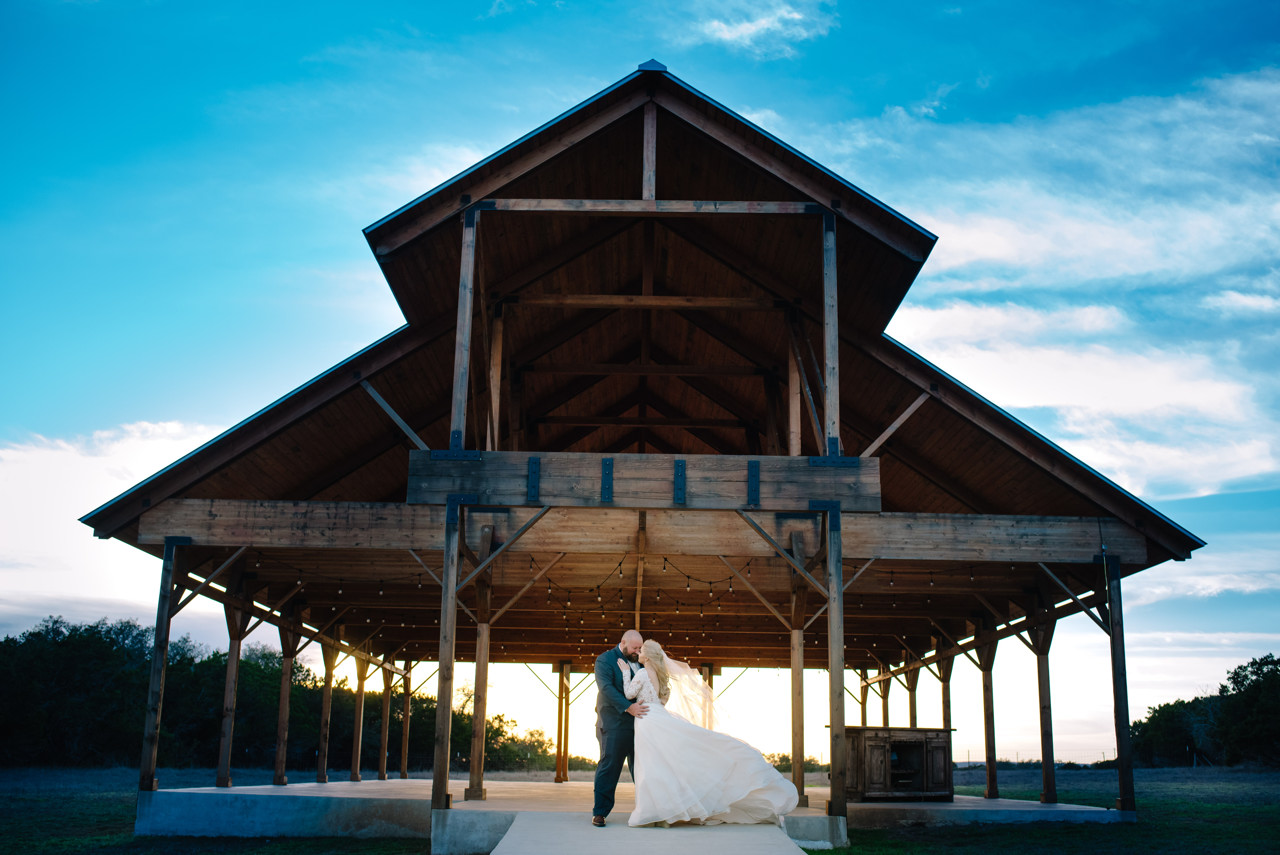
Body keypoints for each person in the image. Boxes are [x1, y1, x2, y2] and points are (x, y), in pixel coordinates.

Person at [618, 638, 798, 827]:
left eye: (642, 650)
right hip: (659, 717)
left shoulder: (641, 674)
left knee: (651, 767)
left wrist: (624, 673)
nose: (639, 652)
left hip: (647, 720)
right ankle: (665, 816)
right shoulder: (662, 677)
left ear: (648, 657)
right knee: (664, 766)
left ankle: (658, 813)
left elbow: (629, 695)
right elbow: (662, 701)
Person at [591, 629, 648, 827]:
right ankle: (600, 812)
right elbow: (605, 689)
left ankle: (647, 810)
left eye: (640, 648)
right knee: (610, 766)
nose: (638, 651)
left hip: (640, 724)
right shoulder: (604, 660)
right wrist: (628, 707)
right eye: (635, 648)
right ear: (623, 642)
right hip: (613, 723)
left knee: (642, 769)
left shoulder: (642, 661)